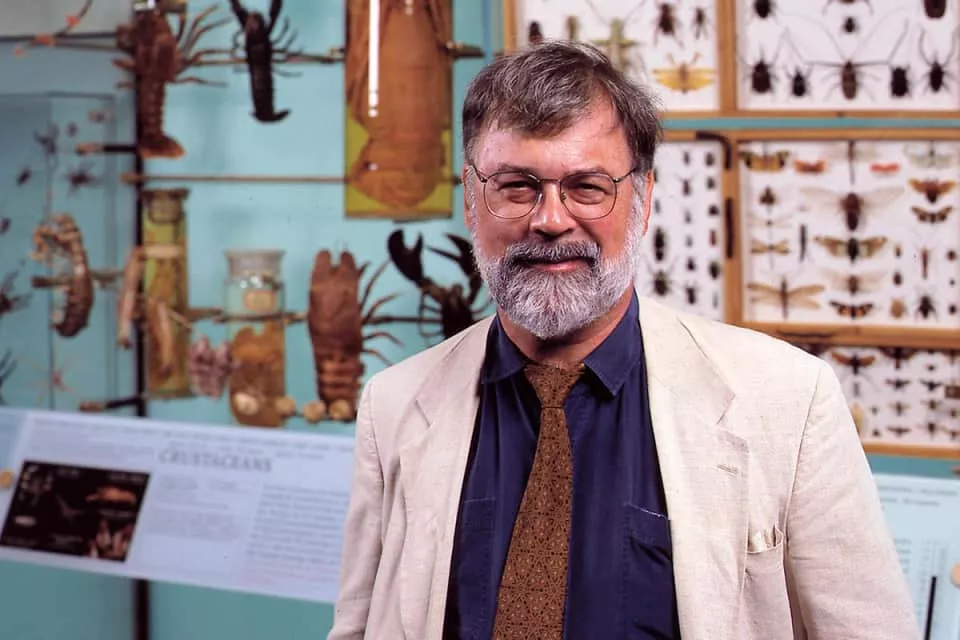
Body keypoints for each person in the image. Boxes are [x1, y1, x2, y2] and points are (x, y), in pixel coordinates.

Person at [327, 41, 919, 640]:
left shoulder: (789, 401)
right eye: (516, 186)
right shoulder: (394, 406)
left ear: (643, 199)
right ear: (471, 199)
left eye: (587, 186)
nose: (550, 220)